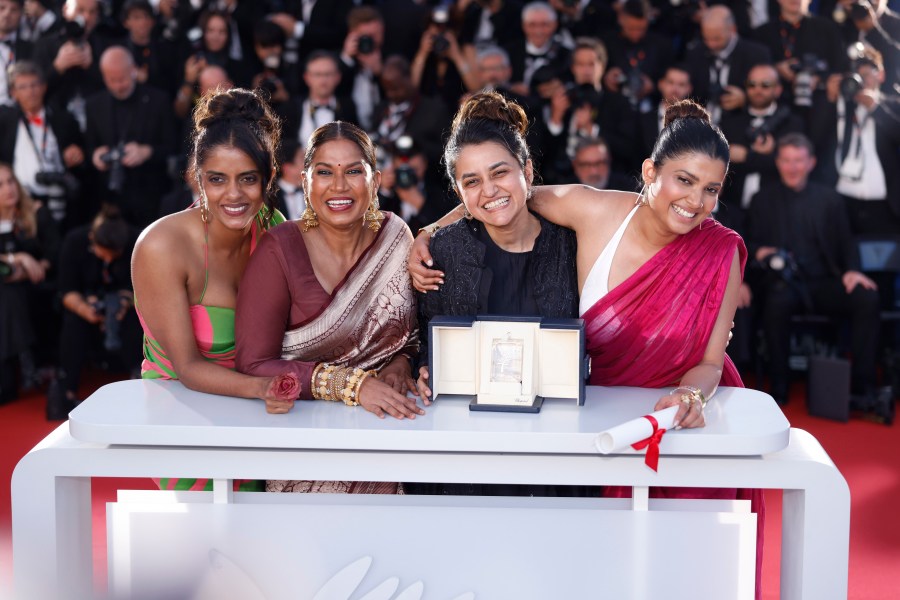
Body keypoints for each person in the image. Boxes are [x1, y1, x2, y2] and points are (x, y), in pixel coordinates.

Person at [408, 99, 765, 598]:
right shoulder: (592, 209)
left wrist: (691, 398)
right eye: (683, 180)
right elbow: (500, 192)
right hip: (600, 426)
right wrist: (427, 231)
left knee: (692, 569)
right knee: (609, 571)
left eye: (711, 189)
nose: (695, 201)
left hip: (679, 426)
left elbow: (710, 362)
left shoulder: (721, 249)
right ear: (649, 171)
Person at [235, 120, 423, 494]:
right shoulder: (280, 248)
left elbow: (408, 333)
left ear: (376, 180)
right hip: (306, 439)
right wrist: (352, 385)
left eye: (354, 171)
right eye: (324, 172)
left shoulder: (395, 236)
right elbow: (253, 364)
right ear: (305, 182)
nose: (339, 186)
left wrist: (400, 364)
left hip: (391, 431)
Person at [410, 91, 580, 496]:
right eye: (472, 181)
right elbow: (420, 334)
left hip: (558, 450)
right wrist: (421, 369)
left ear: (528, 171)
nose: (489, 190)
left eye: (500, 173)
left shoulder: (573, 245)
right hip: (466, 453)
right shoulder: (442, 252)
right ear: (459, 191)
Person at [132, 88, 296, 488]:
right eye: (217, 180)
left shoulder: (272, 227)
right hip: (183, 419)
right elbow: (188, 369)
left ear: (269, 177)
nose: (234, 195)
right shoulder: (162, 246)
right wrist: (264, 389)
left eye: (248, 179)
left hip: (263, 414)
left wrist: (427, 234)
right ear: (196, 177)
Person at [745, 133, 881, 407]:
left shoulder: (830, 200)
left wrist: (852, 271)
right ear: (778, 162)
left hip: (823, 282)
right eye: (786, 160)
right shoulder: (762, 199)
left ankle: (861, 389)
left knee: (867, 298)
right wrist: (761, 252)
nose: (792, 167)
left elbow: (846, 242)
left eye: (799, 160)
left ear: (811, 163)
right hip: (782, 283)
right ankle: (778, 388)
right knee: (776, 303)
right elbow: (747, 242)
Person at [49, 206, 142, 420]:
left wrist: (126, 301)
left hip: (128, 309)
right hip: (84, 311)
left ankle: (140, 379)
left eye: (114, 256)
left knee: (137, 318)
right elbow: (66, 290)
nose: (108, 261)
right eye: (103, 254)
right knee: (73, 323)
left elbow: (148, 288)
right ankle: (67, 391)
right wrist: (85, 309)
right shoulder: (74, 241)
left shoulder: (137, 241)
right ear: (92, 239)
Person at [0, 163, 50, 403]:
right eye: (1, 185)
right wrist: (18, 258)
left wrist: (35, 266)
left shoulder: (36, 213)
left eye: (11, 181)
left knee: (9, 294)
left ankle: (10, 372)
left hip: (35, 287)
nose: (9, 188)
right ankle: (22, 363)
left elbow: (55, 256)